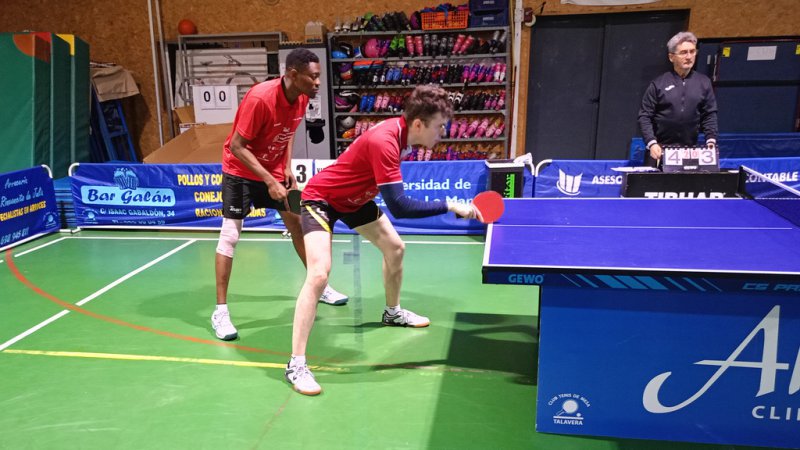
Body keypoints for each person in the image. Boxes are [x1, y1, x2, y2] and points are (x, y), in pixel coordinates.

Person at [284, 85, 481, 395]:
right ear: (419, 124)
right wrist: (450, 205)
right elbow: (400, 206)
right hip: (322, 199)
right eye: (439, 126)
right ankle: (296, 364)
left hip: (354, 200)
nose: (442, 133)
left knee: (395, 248)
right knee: (319, 274)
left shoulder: (402, 137)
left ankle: (392, 312)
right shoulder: (385, 141)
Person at [211, 48, 348, 342]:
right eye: (312, 77)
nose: (317, 82)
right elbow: (237, 146)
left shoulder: (301, 98)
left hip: (272, 170)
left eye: (318, 76)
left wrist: (285, 167)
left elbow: (288, 131)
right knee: (230, 235)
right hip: (240, 170)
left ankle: (320, 286)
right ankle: (220, 311)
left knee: (298, 224)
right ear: (293, 75)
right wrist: (268, 180)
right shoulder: (261, 99)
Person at [638, 31, 718, 168]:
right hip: (659, 150)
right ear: (671, 57)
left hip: (689, 152)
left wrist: (711, 139)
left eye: (692, 51)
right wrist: (651, 142)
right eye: (683, 52)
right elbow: (644, 116)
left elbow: (709, 114)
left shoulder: (704, 82)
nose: (689, 56)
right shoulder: (658, 84)